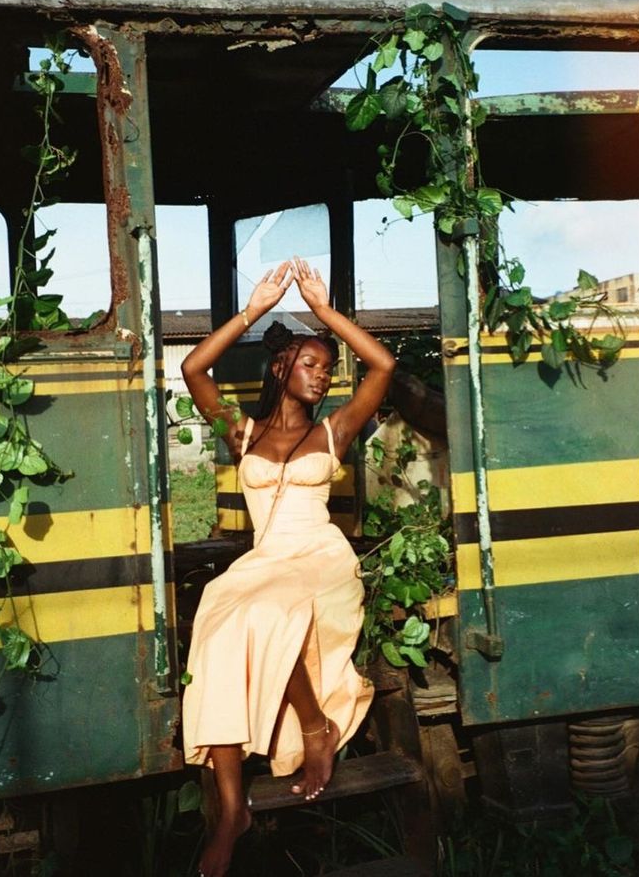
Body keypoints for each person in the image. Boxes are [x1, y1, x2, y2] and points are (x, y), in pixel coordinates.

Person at [181, 257, 396, 877]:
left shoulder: (335, 432)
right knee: (219, 615)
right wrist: (254, 311)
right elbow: (194, 368)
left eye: (328, 370)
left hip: (320, 559)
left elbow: (382, 366)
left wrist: (324, 312)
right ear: (281, 368)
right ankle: (231, 810)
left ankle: (316, 728)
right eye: (311, 364)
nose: (324, 377)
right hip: (267, 559)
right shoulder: (241, 435)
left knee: (266, 608)